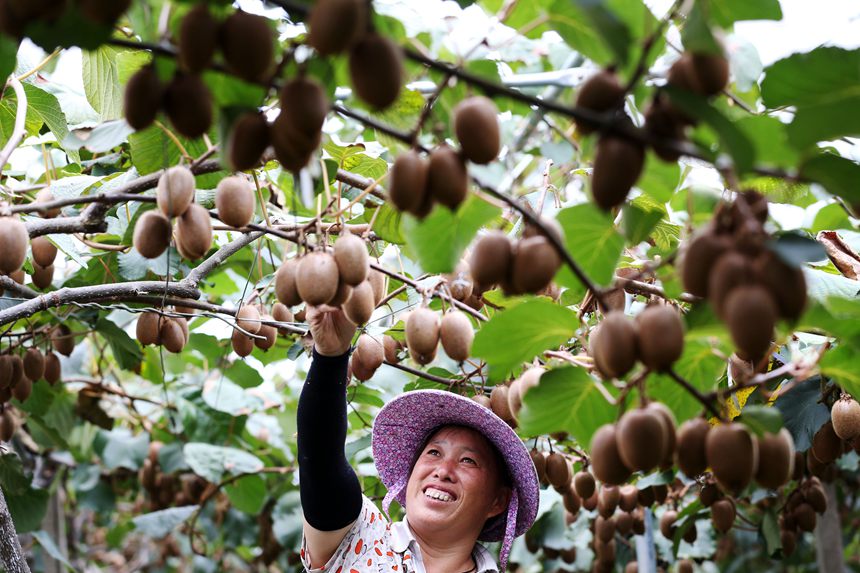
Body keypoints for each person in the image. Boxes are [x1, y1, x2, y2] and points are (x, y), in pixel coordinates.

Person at [297, 304, 540, 572]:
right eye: (434, 453)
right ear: (410, 474)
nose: (443, 471)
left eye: (468, 460)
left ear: (497, 501)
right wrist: (331, 356)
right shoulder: (360, 537)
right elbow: (321, 461)